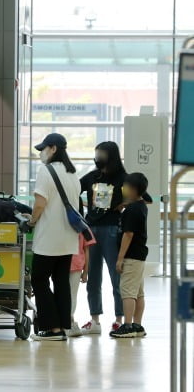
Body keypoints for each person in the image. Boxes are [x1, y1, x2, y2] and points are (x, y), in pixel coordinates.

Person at [79, 141, 151, 335]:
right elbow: (73, 189)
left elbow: (146, 197)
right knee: (92, 276)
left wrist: (124, 204)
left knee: (117, 277)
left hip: (112, 229)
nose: (98, 157)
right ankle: (95, 320)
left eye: (101, 153)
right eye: (96, 153)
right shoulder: (92, 176)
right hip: (91, 229)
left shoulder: (123, 178)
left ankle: (119, 319)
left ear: (111, 155)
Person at [27, 133, 80, 341]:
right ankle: (63, 326)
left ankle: (51, 329)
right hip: (68, 239)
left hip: (48, 238)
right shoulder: (72, 173)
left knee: (39, 280)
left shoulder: (45, 171)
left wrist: (31, 221)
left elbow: (40, 204)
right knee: (61, 282)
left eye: (43, 149)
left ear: (54, 149)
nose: (41, 153)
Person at [110, 173, 149, 338]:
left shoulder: (132, 210)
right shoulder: (140, 206)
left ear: (133, 189)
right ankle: (137, 325)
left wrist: (120, 258)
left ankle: (127, 325)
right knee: (138, 292)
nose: (123, 189)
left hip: (131, 256)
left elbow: (128, 234)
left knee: (127, 291)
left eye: (126, 186)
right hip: (139, 255)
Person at [67, 228, 96, 337]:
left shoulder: (83, 228)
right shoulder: (83, 227)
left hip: (76, 265)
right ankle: (69, 321)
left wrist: (86, 272)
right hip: (64, 264)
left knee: (71, 295)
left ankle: (69, 321)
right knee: (69, 294)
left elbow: (86, 249)